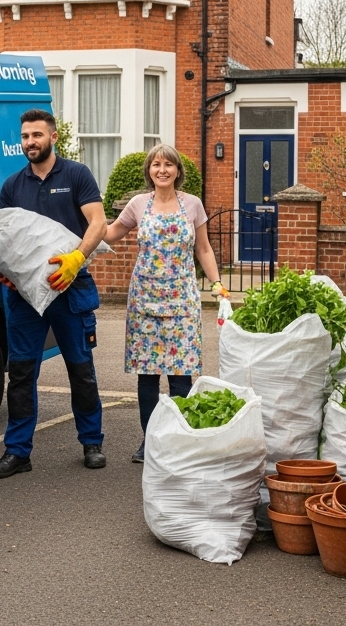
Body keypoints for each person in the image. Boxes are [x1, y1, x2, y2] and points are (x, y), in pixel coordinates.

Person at [0, 109, 109, 478]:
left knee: (80, 368)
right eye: (25, 137)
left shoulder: (76, 175)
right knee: (21, 372)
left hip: (69, 287)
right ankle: (17, 452)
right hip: (24, 296)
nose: (30, 143)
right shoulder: (13, 186)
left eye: (36, 135)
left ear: (53, 137)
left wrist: (77, 258)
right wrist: (2, 272)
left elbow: (98, 222)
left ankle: (92, 441)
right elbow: (3, 240)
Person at [103, 144, 227, 463]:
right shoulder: (137, 204)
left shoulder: (194, 205)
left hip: (183, 299)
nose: (162, 170)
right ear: (149, 171)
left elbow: (204, 249)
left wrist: (217, 285)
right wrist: (78, 230)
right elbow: (110, 232)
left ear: (177, 171)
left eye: (168, 165)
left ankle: (179, 437)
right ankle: (150, 440)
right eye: (156, 164)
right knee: (147, 374)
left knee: (180, 374)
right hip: (144, 299)